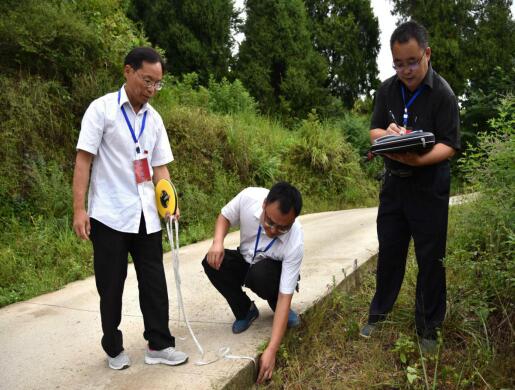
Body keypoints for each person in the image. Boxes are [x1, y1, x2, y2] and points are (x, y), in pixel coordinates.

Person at [72, 47, 188, 370]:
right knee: (111, 285)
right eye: (147, 81)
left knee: (154, 281)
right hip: (109, 214)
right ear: (128, 71)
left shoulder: (154, 119)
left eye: (157, 84)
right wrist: (79, 210)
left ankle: (159, 344)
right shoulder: (102, 110)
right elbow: (84, 160)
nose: (151, 89)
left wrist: (170, 204)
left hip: (146, 215)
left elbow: (159, 169)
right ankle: (113, 347)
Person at [360, 21, 461, 353]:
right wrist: (387, 136)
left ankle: (429, 326)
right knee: (389, 251)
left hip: (429, 186)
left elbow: (449, 144)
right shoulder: (386, 90)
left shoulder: (443, 94)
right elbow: (374, 132)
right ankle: (379, 314)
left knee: (430, 257)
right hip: (394, 186)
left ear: (427, 54)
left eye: (413, 61)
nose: (406, 70)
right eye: (399, 63)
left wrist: (419, 160)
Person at [202, 182, 303, 384]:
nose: (273, 230)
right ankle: (245, 310)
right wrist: (218, 242)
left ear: (293, 221)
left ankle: (272, 304)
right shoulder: (249, 197)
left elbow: (286, 296)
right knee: (211, 262)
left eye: (283, 227)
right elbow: (225, 216)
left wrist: (272, 350)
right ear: (264, 205)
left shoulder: (295, 240)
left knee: (261, 275)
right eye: (270, 222)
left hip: (270, 271)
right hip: (246, 259)